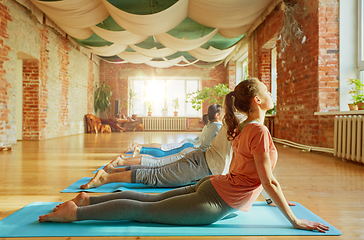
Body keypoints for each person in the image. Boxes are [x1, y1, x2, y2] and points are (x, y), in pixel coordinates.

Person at [39, 78, 329, 234]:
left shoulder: (244, 127)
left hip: (212, 184)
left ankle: (86, 199)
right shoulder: (260, 132)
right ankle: (76, 213)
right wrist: (294, 220)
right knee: (144, 211)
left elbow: (254, 174)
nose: (270, 93)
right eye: (267, 90)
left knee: (149, 201)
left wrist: (271, 197)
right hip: (213, 198)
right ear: (257, 100)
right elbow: (267, 180)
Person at [80, 106, 223, 189]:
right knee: (158, 163)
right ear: (217, 115)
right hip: (196, 154)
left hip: (196, 153)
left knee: (159, 159)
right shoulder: (218, 126)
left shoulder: (212, 126)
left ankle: (116, 168)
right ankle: (117, 167)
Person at [124, 105, 222, 158]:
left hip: (191, 145)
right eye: (222, 114)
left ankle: (140, 148)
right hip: (192, 147)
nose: (223, 116)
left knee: (164, 149)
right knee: (164, 151)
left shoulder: (209, 125)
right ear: (217, 115)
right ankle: (141, 149)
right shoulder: (217, 126)